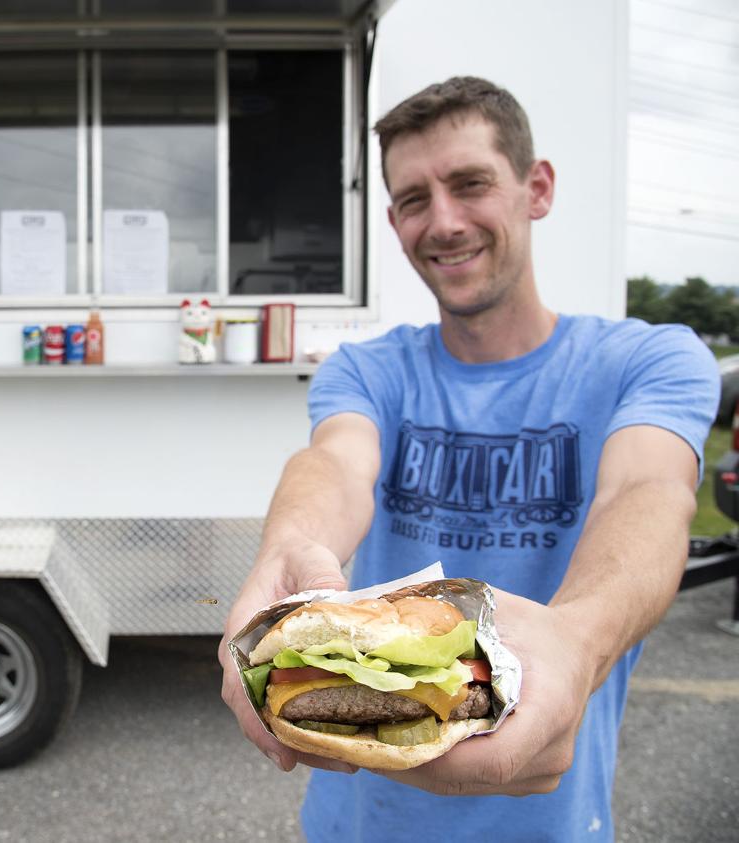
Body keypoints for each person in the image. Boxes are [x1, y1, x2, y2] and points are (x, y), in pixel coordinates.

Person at [218, 76, 720, 842]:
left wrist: (579, 640)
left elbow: (648, 491)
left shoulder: (647, 360)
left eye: (470, 183)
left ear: (536, 187)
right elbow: (336, 463)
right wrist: (292, 546)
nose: (443, 222)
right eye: (414, 200)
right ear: (393, 220)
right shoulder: (370, 370)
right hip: (356, 824)